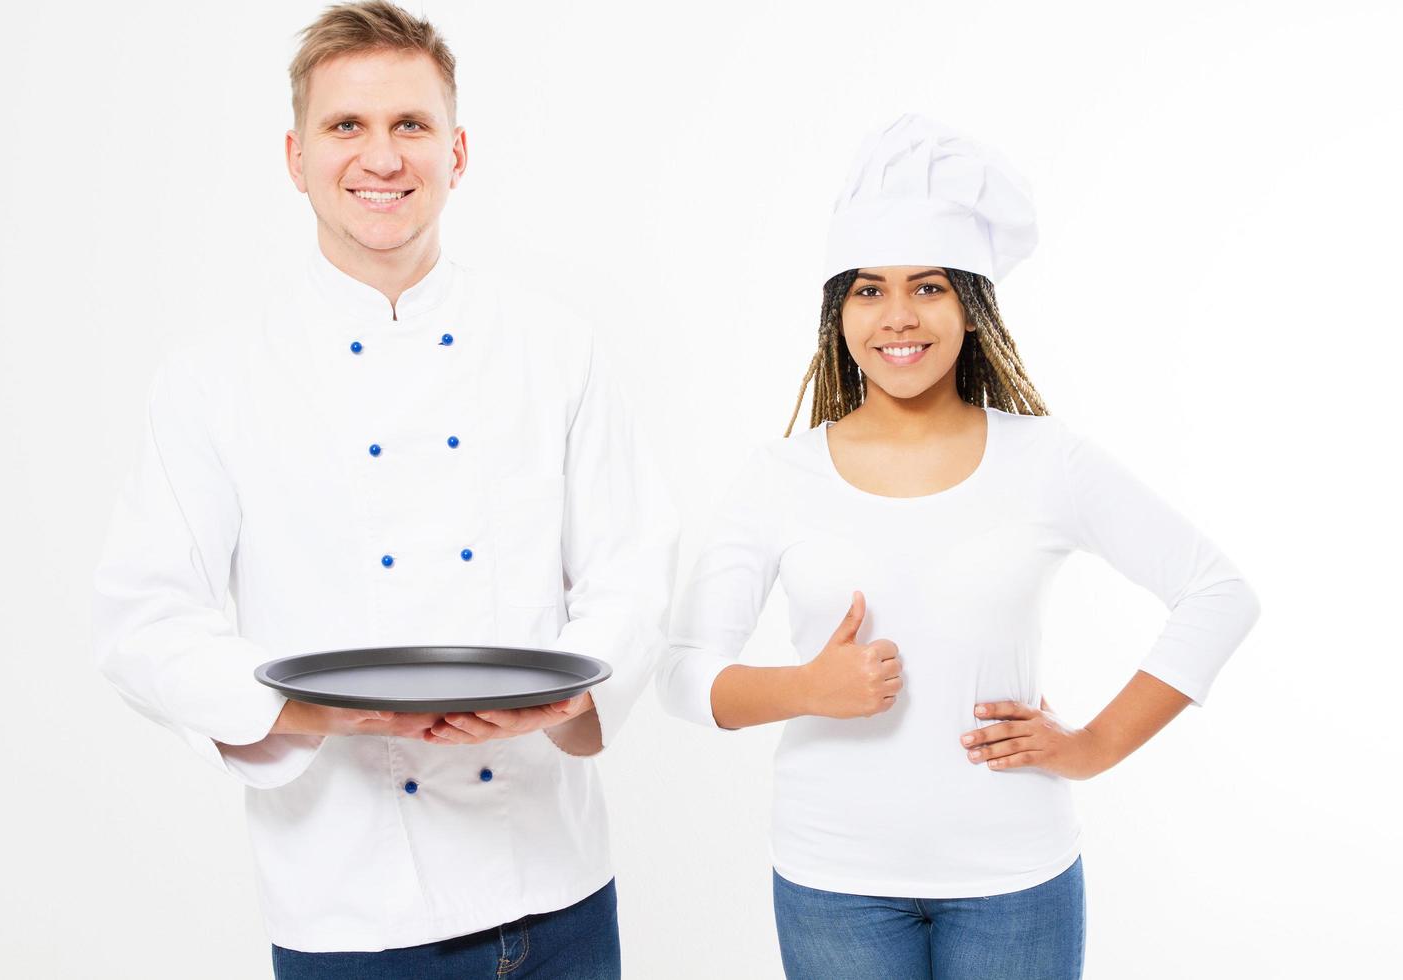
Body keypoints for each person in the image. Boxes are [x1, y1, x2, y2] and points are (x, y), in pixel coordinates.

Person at [92, 3, 676, 976]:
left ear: (458, 150)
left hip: (557, 886)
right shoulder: (214, 377)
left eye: (410, 124)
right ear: (295, 155)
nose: (382, 157)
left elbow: (634, 563)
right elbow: (143, 617)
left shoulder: (553, 346)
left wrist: (558, 695)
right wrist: (316, 710)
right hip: (348, 907)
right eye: (346, 126)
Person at [657, 114, 1260, 980]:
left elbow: (1217, 593)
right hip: (835, 879)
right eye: (867, 289)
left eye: (929, 286)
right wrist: (807, 688)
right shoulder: (779, 476)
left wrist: (1090, 746)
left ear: (972, 309)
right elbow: (681, 673)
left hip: (1016, 879)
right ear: (838, 312)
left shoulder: (1048, 460)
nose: (897, 316)